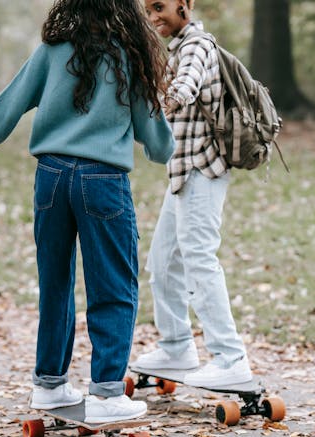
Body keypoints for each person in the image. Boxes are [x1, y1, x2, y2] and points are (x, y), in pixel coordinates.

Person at [0, 0, 176, 423]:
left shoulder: (51, 51)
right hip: (102, 182)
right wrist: (165, 144)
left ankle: (49, 384)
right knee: (115, 286)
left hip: (51, 178)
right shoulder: (126, 54)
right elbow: (157, 144)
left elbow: (4, 110)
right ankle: (105, 393)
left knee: (56, 282)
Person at [134, 0, 253, 386]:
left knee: (198, 258)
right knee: (163, 263)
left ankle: (230, 358)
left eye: (159, 6)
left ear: (185, 3)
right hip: (182, 174)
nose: (153, 17)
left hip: (203, 170)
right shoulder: (178, 47)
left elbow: (185, 87)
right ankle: (176, 347)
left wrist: (155, 103)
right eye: (147, 10)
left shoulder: (197, 45)